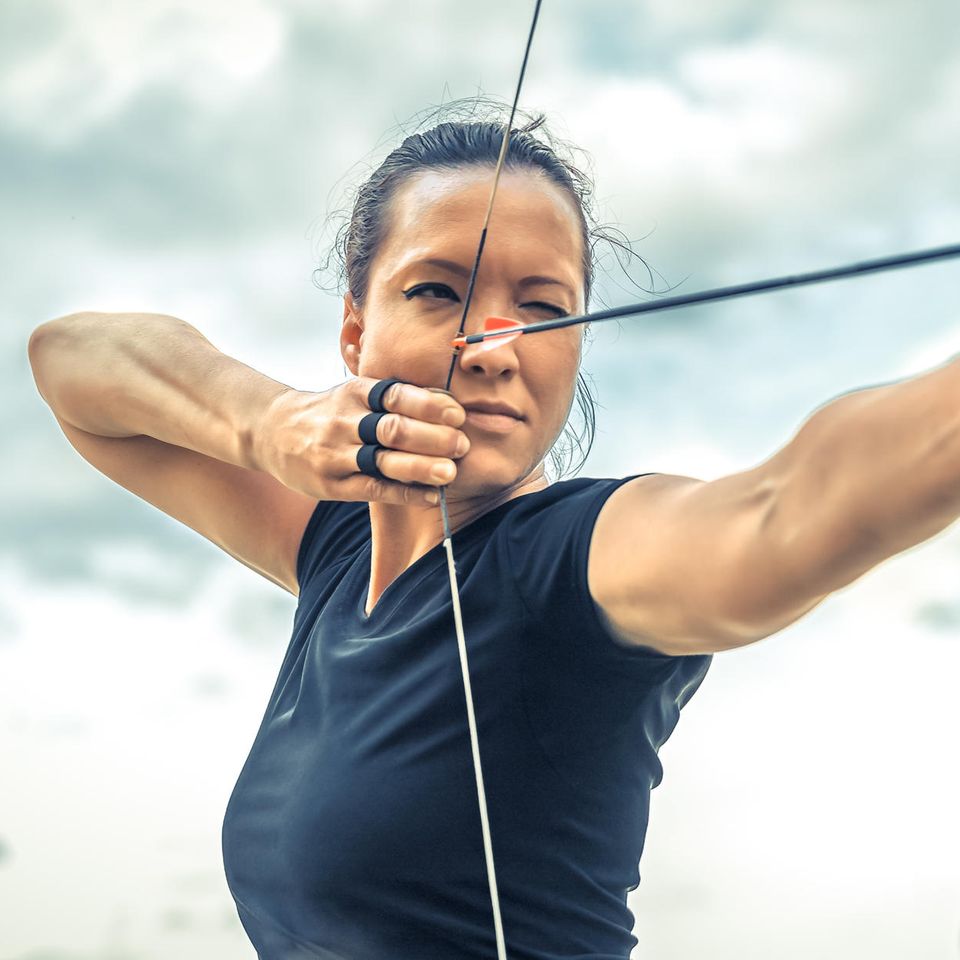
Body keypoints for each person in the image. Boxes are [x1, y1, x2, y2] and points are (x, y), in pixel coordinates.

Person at [26, 113, 960, 960]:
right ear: (357, 334)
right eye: (437, 291)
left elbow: (787, 507)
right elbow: (71, 365)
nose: (494, 344)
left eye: (547, 307)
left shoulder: (577, 562)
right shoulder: (334, 552)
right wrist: (264, 421)